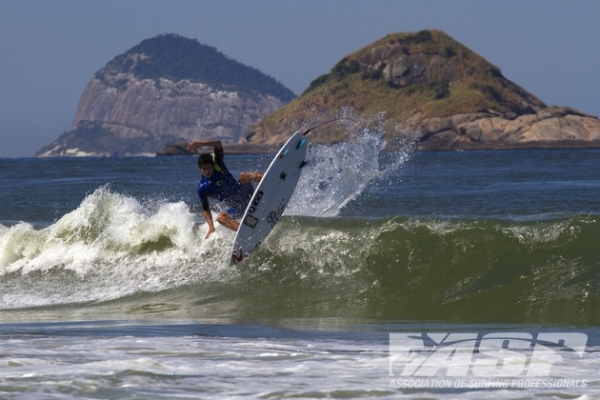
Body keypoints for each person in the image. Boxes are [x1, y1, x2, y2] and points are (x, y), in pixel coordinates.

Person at [186, 140, 263, 239]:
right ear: (200, 169)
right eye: (204, 169)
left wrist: (202, 144)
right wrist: (211, 227)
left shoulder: (218, 165)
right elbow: (205, 209)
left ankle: (272, 178)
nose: (207, 171)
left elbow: (218, 143)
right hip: (237, 207)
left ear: (213, 165)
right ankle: (247, 233)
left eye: (209, 167)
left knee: (244, 176)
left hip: (245, 192)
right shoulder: (202, 188)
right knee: (220, 218)